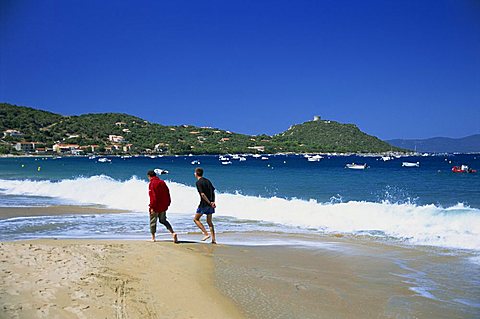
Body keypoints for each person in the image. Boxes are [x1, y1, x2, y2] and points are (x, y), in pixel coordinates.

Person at [147, 170, 178, 243]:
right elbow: (167, 193)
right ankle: (173, 232)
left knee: (153, 221)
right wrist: (168, 203)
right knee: (163, 220)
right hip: (163, 206)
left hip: (155, 206)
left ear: (149, 176)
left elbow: (153, 196)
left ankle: (153, 238)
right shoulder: (162, 182)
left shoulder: (152, 183)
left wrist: (151, 207)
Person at [193, 167, 216, 244]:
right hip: (210, 204)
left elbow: (202, 194)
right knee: (209, 222)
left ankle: (206, 234)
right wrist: (213, 202)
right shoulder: (208, 181)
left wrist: (209, 202)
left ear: (196, 173)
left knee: (196, 219)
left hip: (204, 204)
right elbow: (213, 191)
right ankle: (213, 240)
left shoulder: (198, 182)